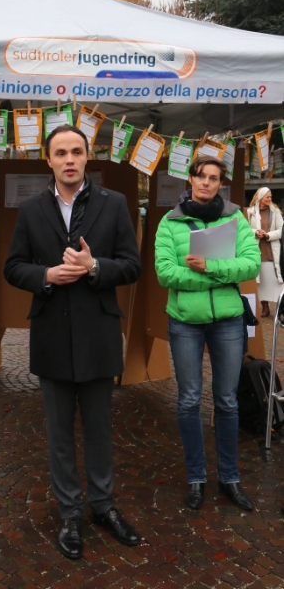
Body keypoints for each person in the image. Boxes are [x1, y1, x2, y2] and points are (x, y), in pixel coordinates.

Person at [4, 124, 142, 560]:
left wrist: (94, 266)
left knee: (99, 428)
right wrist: (46, 274)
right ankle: (69, 513)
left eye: (76, 152)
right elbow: (12, 267)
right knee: (59, 432)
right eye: (61, 152)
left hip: (98, 333)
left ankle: (103, 506)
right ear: (48, 160)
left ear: (87, 157)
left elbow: (132, 265)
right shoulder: (31, 209)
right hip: (52, 333)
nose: (69, 159)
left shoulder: (113, 203)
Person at [155, 155, 260, 512]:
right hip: (185, 320)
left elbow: (251, 264)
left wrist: (209, 267)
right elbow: (165, 273)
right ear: (190, 179)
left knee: (227, 401)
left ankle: (230, 477)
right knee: (188, 400)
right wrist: (216, 275)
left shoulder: (235, 218)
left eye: (213, 178)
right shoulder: (170, 221)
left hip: (228, 320)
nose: (206, 183)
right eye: (200, 176)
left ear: (220, 183)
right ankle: (196, 478)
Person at [247, 187, 283, 317]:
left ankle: (280, 309)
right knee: (261, 283)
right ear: (260, 197)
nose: (270, 199)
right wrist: (256, 232)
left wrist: (268, 235)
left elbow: (281, 230)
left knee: (278, 282)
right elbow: (245, 229)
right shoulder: (250, 212)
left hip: (272, 252)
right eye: (267, 197)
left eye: (271, 197)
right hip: (257, 251)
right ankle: (265, 308)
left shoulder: (275, 212)